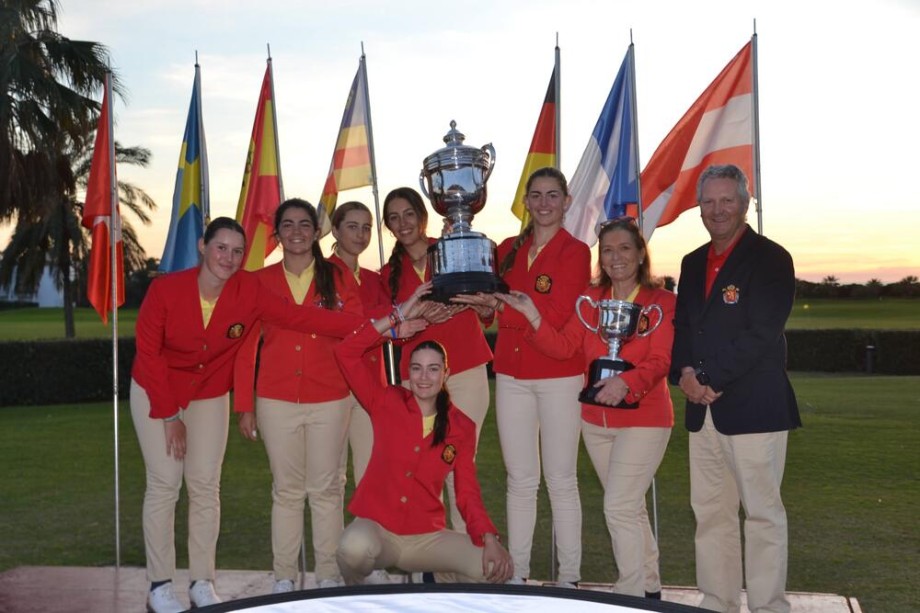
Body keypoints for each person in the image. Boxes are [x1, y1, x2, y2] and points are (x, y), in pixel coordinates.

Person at [131, 217, 368, 613]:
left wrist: (369, 324)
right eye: (221, 247)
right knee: (165, 484)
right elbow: (149, 354)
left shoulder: (250, 290)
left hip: (208, 395)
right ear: (203, 247)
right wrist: (170, 415)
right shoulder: (166, 289)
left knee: (206, 485)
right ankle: (159, 584)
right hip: (157, 392)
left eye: (237, 251)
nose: (229, 257)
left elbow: (302, 317)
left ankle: (202, 581)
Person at [497, 216, 675, 598]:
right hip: (596, 421)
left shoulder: (661, 302)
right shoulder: (591, 301)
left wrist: (625, 382)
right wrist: (532, 314)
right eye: (607, 250)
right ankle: (650, 586)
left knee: (618, 507)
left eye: (625, 248)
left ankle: (628, 595)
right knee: (630, 507)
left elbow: (660, 361)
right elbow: (562, 347)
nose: (616, 257)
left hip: (644, 420)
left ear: (641, 253)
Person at [670, 164, 801, 613]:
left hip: (754, 408)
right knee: (711, 516)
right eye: (708, 202)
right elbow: (684, 328)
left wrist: (707, 379)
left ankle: (768, 607)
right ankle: (717, 603)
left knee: (762, 516)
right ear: (700, 208)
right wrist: (686, 373)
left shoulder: (771, 258)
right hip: (702, 411)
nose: (717, 210)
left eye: (727, 200)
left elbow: (761, 333)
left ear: (745, 204)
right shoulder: (691, 262)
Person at [456, 167, 590, 586]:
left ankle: (568, 579)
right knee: (520, 480)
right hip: (512, 373)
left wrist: (509, 304)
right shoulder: (509, 248)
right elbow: (494, 312)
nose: (545, 203)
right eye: (537, 196)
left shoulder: (577, 252)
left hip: (560, 375)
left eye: (553, 195)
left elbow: (555, 314)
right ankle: (518, 577)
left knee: (561, 479)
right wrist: (482, 305)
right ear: (526, 202)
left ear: (566, 202)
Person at [333, 298, 513, 585]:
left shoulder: (460, 425)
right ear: (409, 373)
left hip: (426, 538)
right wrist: (394, 319)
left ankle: (441, 579)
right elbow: (346, 352)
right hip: (379, 532)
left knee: (493, 568)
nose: (424, 377)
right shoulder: (386, 401)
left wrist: (489, 537)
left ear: (446, 374)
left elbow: (467, 493)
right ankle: (359, 596)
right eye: (416, 368)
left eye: (433, 369)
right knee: (352, 549)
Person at [233, 199, 362, 593]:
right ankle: (285, 577)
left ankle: (327, 575)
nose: (296, 232)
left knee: (326, 489)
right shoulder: (259, 281)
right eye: (287, 225)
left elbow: (356, 327)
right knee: (286, 490)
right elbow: (245, 347)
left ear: (316, 231)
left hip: (330, 396)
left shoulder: (338, 277)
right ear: (277, 233)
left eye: (304, 224)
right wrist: (244, 406)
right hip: (276, 398)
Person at [379, 187, 493, 534]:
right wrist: (419, 318)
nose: (403, 223)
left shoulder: (452, 248)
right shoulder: (387, 274)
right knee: (423, 465)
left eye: (408, 214)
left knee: (460, 464)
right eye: (394, 218)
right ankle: (428, 554)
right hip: (418, 380)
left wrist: (461, 305)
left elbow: (485, 306)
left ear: (423, 216)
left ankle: (463, 552)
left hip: (466, 367)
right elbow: (385, 330)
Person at [327, 201, 390, 486]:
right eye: (352, 227)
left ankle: (369, 533)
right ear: (336, 231)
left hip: (371, 385)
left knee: (371, 475)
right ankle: (333, 534)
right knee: (330, 478)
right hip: (331, 383)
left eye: (366, 228)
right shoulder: (320, 274)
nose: (361, 235)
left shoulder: (375, 280)